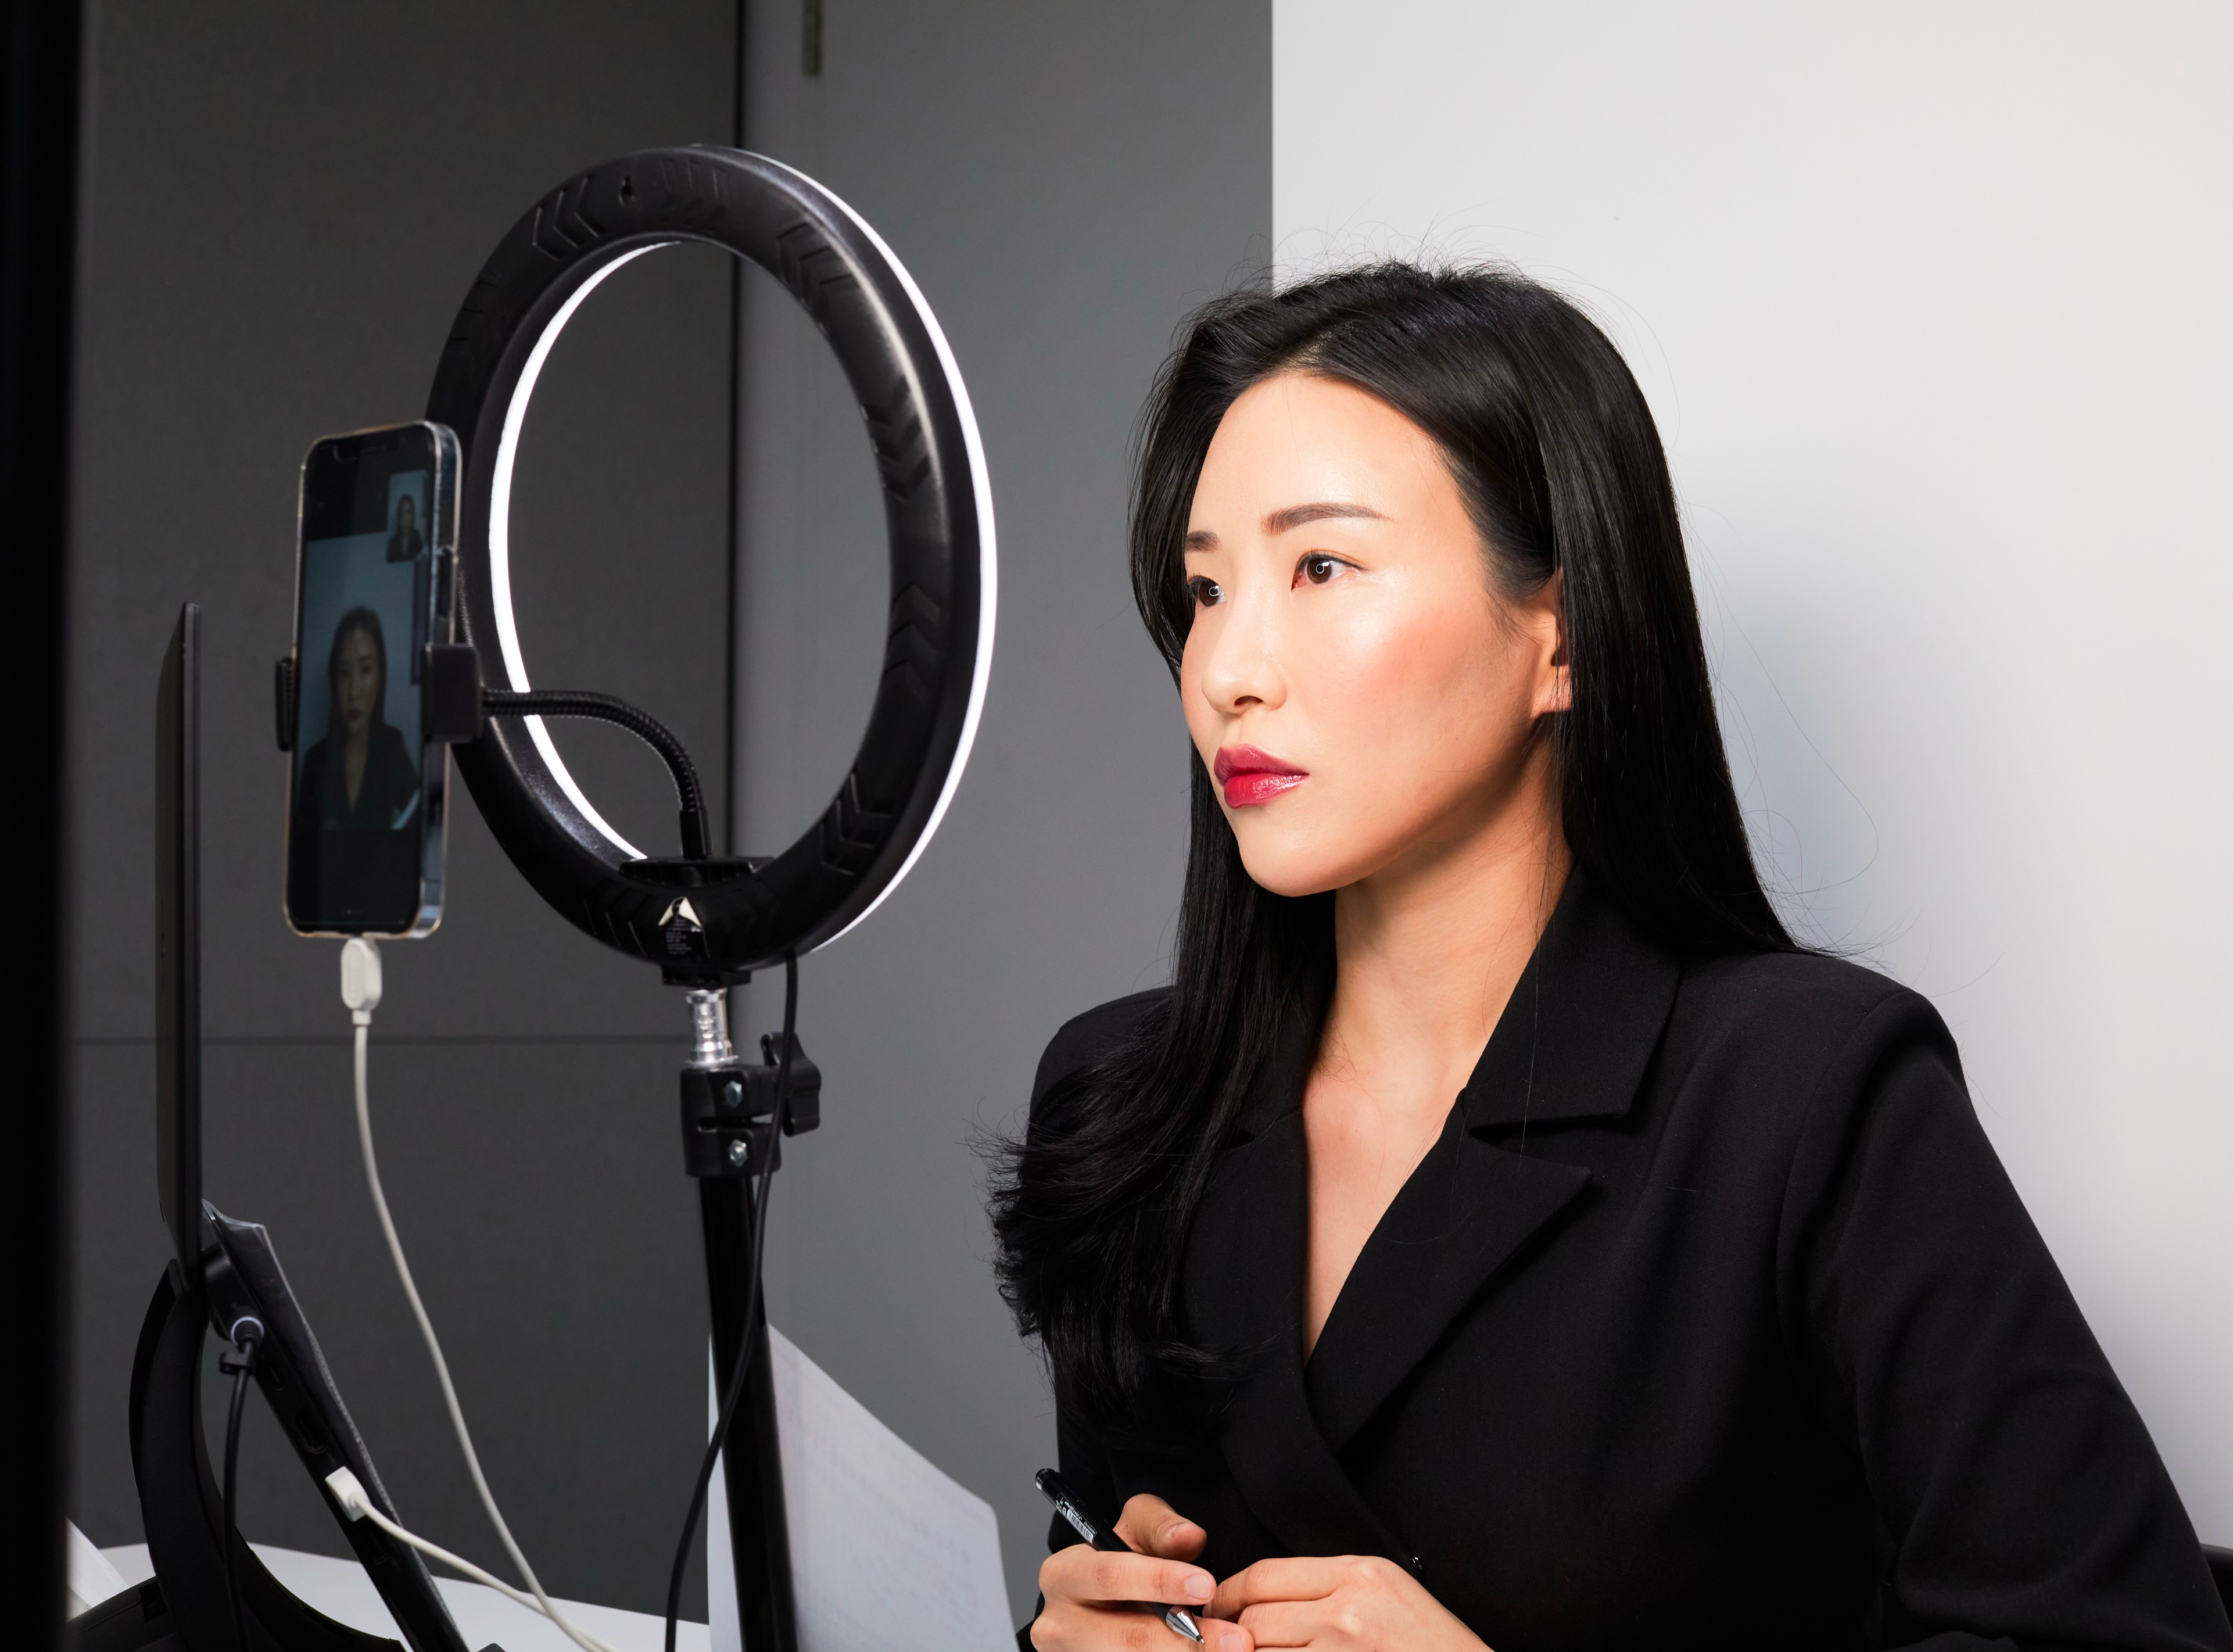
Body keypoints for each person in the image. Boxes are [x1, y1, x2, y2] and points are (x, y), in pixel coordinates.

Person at [990, 264, 2231, 1652]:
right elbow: (1109, 1548)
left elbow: (2119, 1636)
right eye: (1204, 589)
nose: (1228, 666)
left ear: (1562, 633)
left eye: (1320, 567)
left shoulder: (1808, 1092)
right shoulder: (1120, 1093)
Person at [296, 605, 419, 832]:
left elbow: (420, 818)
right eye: (344, 673)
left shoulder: (392, 747)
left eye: (365, 670)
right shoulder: (315, 761)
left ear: (380, 676)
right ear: (333, 680)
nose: (354, 692)